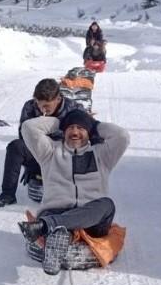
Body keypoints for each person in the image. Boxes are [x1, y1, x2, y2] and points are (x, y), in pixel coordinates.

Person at [19, 108, 130, 275]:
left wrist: (94, 124)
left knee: (107, 205)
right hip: (55, 210)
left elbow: (122, 136)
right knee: (62, 231)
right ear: (64, 131)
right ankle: (58, 240)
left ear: (89, 132)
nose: (75, 132)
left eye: (81, 128)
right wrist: (60, 121)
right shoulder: (49, 152)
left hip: (91, 218)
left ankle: (47, 226)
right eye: (70, 127)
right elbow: (28, 127)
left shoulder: (101, 155)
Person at [0, 78, 74, 208]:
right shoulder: (29, 107)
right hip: (38, 155)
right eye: (39, 104)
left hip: (63, 158)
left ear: (58, 99)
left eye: (47, 106)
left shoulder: (73, 108)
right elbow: (24, 137)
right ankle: (7, 194)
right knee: (16, 146)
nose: (43, 109)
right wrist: (30, 167)